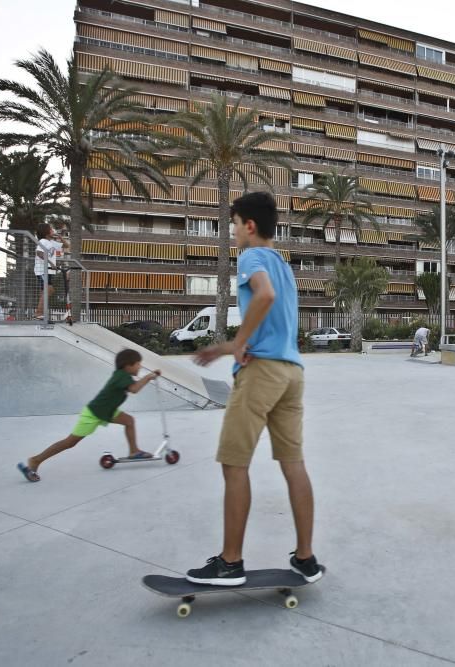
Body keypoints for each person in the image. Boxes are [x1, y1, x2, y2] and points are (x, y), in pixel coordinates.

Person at [188, 192, 321, 586]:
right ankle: (305, 557)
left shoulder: (252, 257)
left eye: (233, 224)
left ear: (249, 225)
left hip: (262, 372)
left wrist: (238, 343)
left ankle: (230, 562)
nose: (232, 232)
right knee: (293, 464)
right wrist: (238, 343)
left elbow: (264, 295)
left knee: (234, 462)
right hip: (292, 372)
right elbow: (274, 310)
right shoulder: (284, 264)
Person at [17, 349, 160, 482]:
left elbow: (133, 386)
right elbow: (134, 389)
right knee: (70, 442)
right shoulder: (121, 376)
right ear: (127, 365)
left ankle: (134, 451)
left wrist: (148, 377)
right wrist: (148, 377)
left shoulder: (123, 376)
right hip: (94, 413)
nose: (140, 367)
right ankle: (35, 460)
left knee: (129, 421)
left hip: (106, 411)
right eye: (138, 364)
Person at [33, 222, 64, 320]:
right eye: (51, 229)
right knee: (48, 290)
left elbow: (66, 245)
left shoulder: (52, 243)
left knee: (48, 291)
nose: (52, 231)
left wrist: (60, 237)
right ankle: (38, 313)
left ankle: (39, 312)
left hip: (49, 272)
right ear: (46, 232)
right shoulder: (42, 241)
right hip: (42, 270)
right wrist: (50, 263)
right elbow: (39, 253)